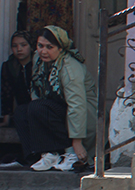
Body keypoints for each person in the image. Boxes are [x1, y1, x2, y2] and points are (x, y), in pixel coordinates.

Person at [12, 26, 98, 171]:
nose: (43, 51)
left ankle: (69, 153)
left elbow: (77, 105)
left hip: (82, 115)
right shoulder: (38, 59)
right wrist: (36, 120)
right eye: (40, 46)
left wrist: (76, 142)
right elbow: (36, 86)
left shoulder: (69, 68)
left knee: (37, 107)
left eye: (49, 47)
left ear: (60, 48)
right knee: (22, 111)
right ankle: (41, 155)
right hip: (56, 108)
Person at [1, 30, 34, 128]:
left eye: (23, 45)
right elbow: (6, 92)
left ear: (31, 46)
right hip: (22, 110)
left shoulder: (38, 64)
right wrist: (6, 119)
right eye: (15, 46)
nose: (19, 49)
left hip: (39, 109)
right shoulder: (9, 66)